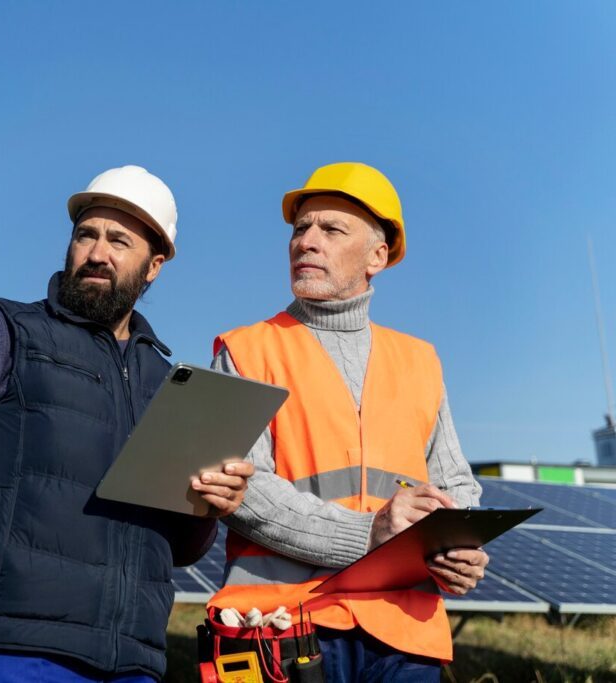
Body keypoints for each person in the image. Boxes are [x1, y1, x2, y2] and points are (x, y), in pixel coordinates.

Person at [0, 165, 255, 682]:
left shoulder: (168, 381)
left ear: (154, 266)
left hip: (130, 659)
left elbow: (178, 548)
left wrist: (211, 505)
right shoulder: (9, 329)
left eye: (120, 241)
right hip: (9, 650)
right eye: (87, 235)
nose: (98, 253)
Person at [208, 162, 487, 681]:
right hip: (276, 623)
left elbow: (455, 485)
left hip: (405, 631)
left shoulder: (420, 360)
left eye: (331, 229)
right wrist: (370, 535)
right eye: (300, 229)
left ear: (377, 256)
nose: (306, 242)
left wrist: (459, 547)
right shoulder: (246, 349)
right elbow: (241, 491)